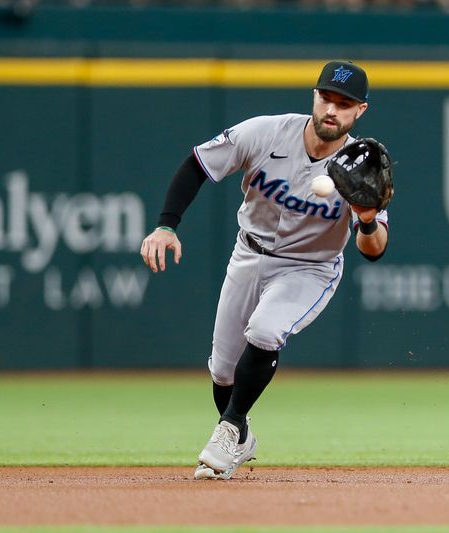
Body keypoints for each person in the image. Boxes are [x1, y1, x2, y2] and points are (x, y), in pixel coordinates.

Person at [140, 60, 389, 480]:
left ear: (359, 111)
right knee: (222, 369)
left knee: (265, 331)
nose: (332, 110)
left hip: (309, 268)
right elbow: (198, 164)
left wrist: (366, 218)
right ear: (314, 95)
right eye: (326, 97)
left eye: (344, 104)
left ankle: (229, 427)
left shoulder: (359, 163)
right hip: (249, 254)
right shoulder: (266, 132)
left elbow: (374, 249)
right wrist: (167, 225)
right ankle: (241, 436)